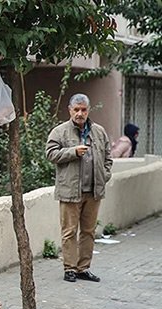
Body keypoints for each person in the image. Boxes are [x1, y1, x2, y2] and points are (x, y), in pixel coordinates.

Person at [45, 94, 113, 283]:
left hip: (93, 191)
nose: (80, 113)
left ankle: (83, 268)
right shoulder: (60, 132)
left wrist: (104, 175)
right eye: (76, 110)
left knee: (88, 231)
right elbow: (50, 154)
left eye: (83, 109)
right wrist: (72, 152)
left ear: (88, 110)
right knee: (69, 231)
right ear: (70, 110)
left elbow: (108, 157)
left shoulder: (98, 131)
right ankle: (70, 269)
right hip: (70, 191)